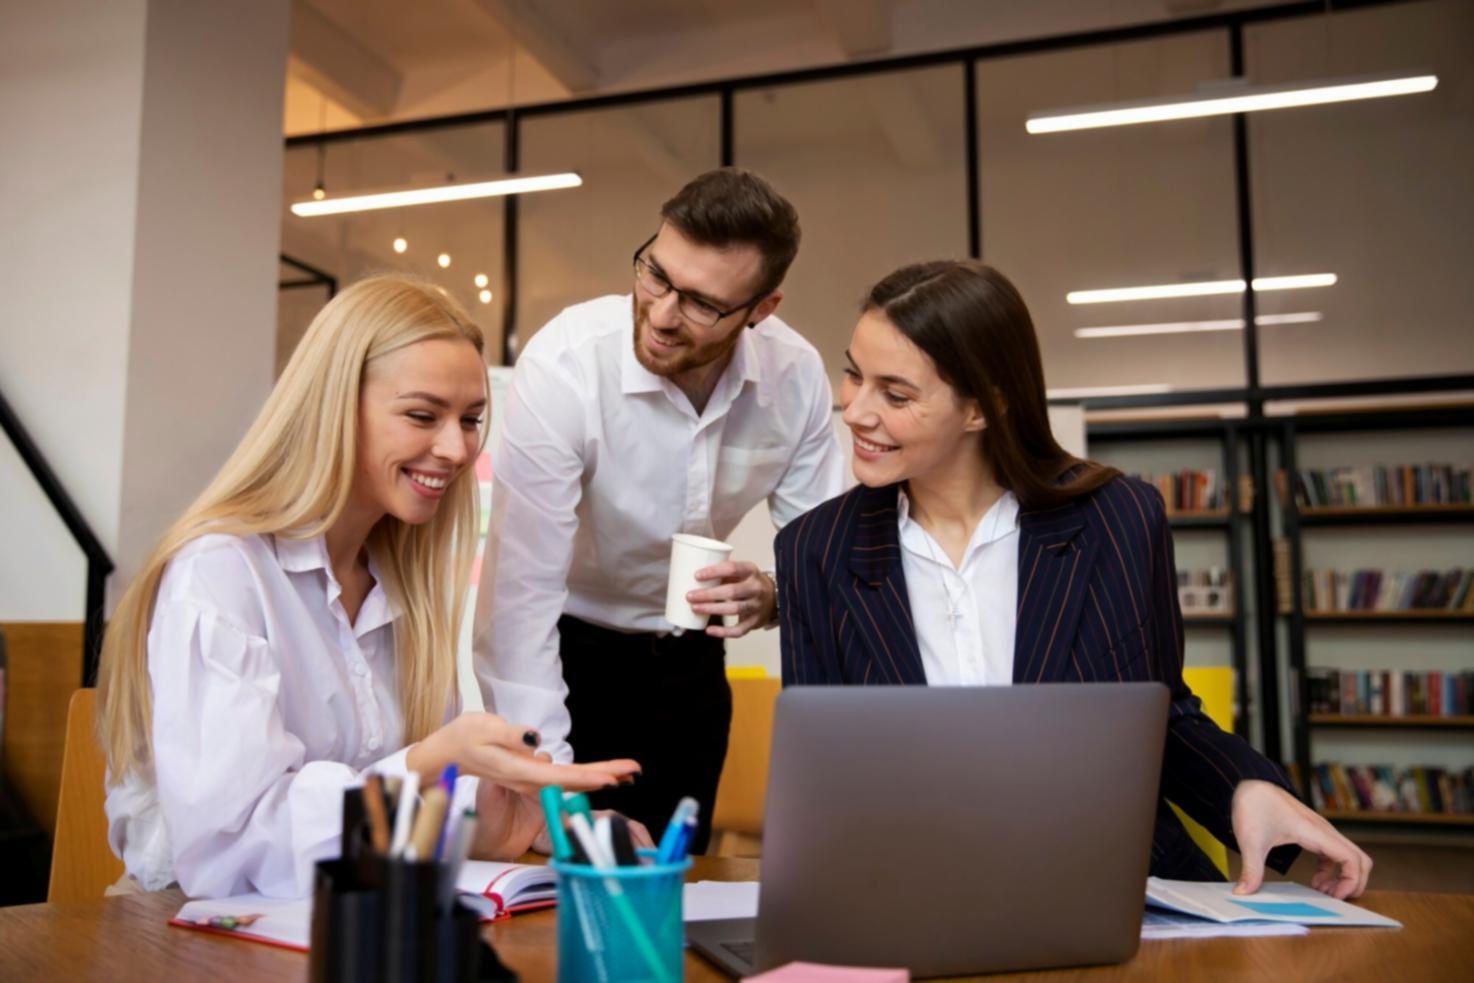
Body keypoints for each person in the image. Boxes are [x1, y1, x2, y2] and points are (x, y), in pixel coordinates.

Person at [775, 260, 1372, 898]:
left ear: (983, 406)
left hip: (1112, 884)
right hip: (914, 893)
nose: (854, 410)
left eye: (895, 395)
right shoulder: (814, 550)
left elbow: (1158, 716)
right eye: (854, 375)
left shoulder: (1118, 519)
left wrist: (1246, 789)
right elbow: (823, 774)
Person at [98, 275, 640, 899]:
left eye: (471, 420)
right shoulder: (220, 571)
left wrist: (501, 817)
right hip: (180, 925)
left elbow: (386, 813)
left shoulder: (400, 586)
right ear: (334, 407)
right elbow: (233, 851)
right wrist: (429, 764)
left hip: (348, 912)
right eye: (422, 415)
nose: (457, 449)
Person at [475, 168, 847, 851]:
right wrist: (554, 794)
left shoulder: (794, 378)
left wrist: (773, 594)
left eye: (702, 303)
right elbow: (519, 599)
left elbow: (827, 556)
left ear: (762, 308)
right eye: (655, 274)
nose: (663, 313)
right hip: (570, 658)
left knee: (676, 883)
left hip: (692, 667)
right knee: (564, 879)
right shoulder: (567, 363)